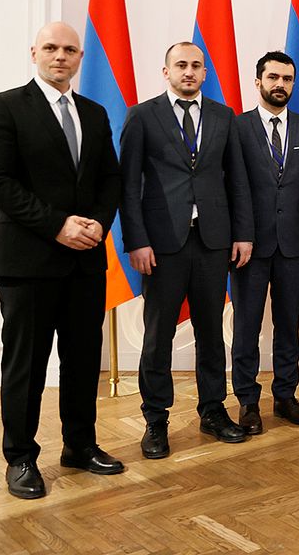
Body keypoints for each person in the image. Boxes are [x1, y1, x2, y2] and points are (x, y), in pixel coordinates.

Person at [0, 22, 124, 499]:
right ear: (34, 52)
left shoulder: (95, 113)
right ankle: (20, 457)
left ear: (81, 58)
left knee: (82, 362)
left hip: (85, 262)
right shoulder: (4, 107)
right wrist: (58, 225)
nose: (61, 56)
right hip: (28, 262)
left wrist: (99, 222)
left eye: (70, 50)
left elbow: (109, 180)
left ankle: (79, 445)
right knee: (27, 365)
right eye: (52, 48)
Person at [120, 41, 254, 459]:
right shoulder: (142, 116)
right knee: (159, 335)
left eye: (197, 66)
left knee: (212, 332)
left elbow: (237, 179)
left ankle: (213, 411)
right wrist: (137, 240)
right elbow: (128, 185)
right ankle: (155, 420)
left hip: (213, 240)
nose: (190, 72)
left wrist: (242, 233)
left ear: (205, 73)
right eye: (181, 65)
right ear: (166, 72)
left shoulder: (222, 116)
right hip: (162, 245)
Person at [230, 51, 299, 433]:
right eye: (273, 77)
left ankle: (286, 396)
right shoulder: (236, 127)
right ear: (258, 82)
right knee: (247, 327)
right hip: (249, 248)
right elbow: (232, 188)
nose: (280, 84)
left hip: (295, 245)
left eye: (287, 79)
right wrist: (240, 236)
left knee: (289, 325)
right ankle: (248, 402)